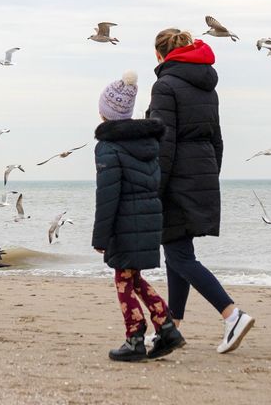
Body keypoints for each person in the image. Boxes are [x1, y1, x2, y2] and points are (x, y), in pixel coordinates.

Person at [148, 28, 255, 354]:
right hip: (201, 174)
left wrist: (156, 186)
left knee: (179, 255)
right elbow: (217, 139)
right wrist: (209, 176)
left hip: (176, 178)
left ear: (160, 54)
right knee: (178, 253)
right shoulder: (207, 86)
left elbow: (163, 142)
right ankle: (172, 328)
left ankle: (231, 314)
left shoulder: (164, 86)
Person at [93, 70, 185, 362]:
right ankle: (167, 327)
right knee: (133, 278)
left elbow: (108, 194)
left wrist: (100, 236)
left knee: (123, 280)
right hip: (147, 218)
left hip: (124, 222)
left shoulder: (108, 147)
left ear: (106, 112)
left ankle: (135, 337)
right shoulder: (148, 143)